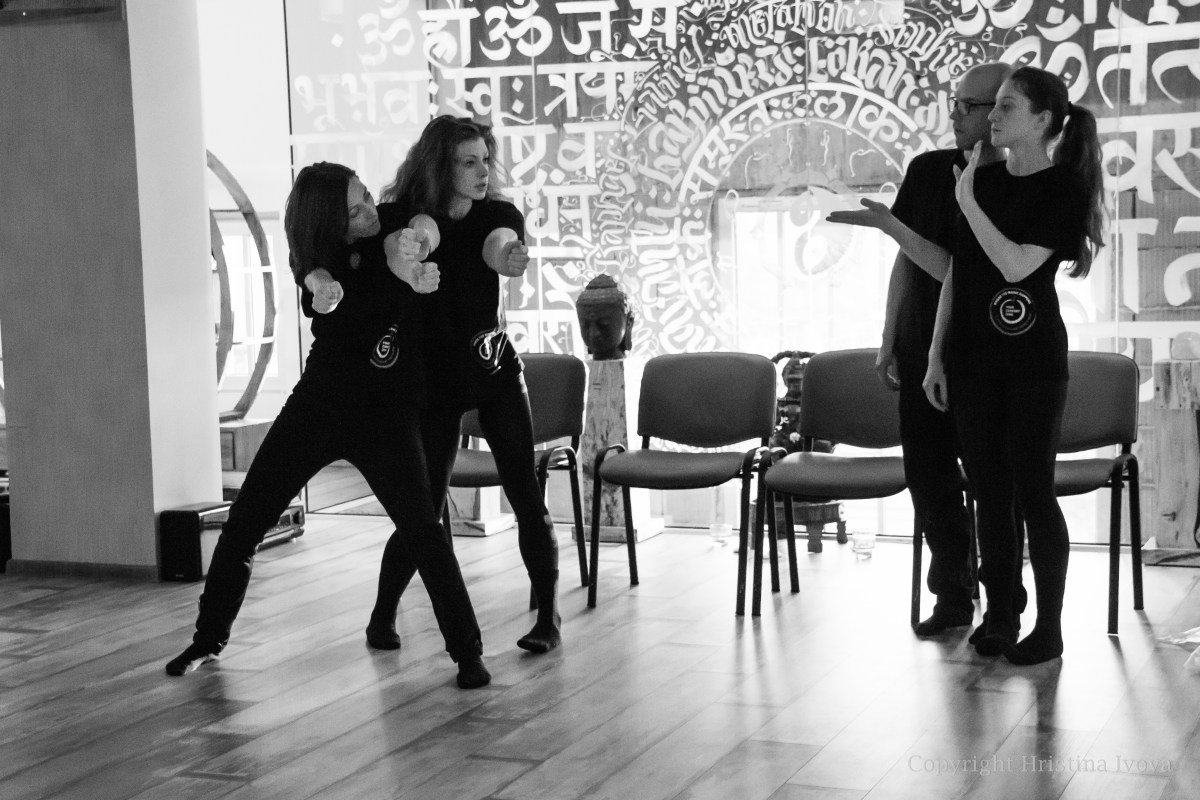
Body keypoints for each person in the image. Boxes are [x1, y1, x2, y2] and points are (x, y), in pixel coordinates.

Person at [165, 162, 491, 689]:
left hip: (388, 411)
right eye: (353, 212)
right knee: (246, 521)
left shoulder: (392, 226)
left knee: (423, 532)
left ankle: (468, 654)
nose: (368, 213)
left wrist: (415, 255)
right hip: (321, 403)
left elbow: (418, 230)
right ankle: (207, 639)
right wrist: (316, 282)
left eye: (365, 197)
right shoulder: (322, 261)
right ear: (331, 226)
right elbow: (309, 270)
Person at [310, 116, 562, 654]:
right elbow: (417, 234)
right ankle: (382, 617)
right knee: (422, 509)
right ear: (439, 166)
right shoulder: (402, 216)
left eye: (485, 160)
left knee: (525, 494)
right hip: (433, 383)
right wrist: (412, 246)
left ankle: (548, 617)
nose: (482, 171)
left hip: (493, 370)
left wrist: (508, 257)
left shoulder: (498, 213)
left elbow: (497, 244)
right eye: (468, 162)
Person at [828, 63, 1018, 637]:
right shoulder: (929, 169)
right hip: (919, 344)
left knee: (993, 483)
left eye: (968, 106)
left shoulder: (1018, 181)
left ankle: (1004, 602)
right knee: (929, 476)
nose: (954, 115)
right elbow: (908, 262)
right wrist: (889, 334)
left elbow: (962, 271)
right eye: (953, 102)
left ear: (1003, 110)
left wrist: (892, 226)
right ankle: (952, 595)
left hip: (984, 353)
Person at [924, 66, 1105, 665]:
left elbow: (1016, 266)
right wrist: (936, 354)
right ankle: (999, 616)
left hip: (1033, 362)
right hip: (972, 360)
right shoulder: (981, 180)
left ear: (1043, 120)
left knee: (1033, 491)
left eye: (1006, 107)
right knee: (989, 492)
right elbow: (960, 273)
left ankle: (1048, 629)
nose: (993, 117)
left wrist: (967, 202)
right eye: (994, 105)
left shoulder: (1063, 187)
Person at [576, 274, 635, 360]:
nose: (594, 334)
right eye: (585, 325)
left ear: (629, 322)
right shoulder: (576, 367)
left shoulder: (638, 367)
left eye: (604, 324)